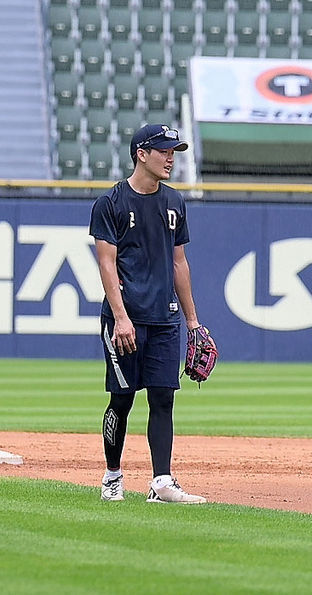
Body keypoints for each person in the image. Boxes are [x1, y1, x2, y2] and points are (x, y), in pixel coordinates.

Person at [89, 124, 207, 504]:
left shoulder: (174, 202)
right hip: (126, 318)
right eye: (164, 150)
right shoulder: (111, 203)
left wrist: (193, 322)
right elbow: (107, 265)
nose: (171, 157)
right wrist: (121, 317)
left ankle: (161, 482)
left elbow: (180, 264)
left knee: (163, 398)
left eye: (174, 151)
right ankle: (112, 476)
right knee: (122, 399)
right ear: (142, 153)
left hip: (164, 318)